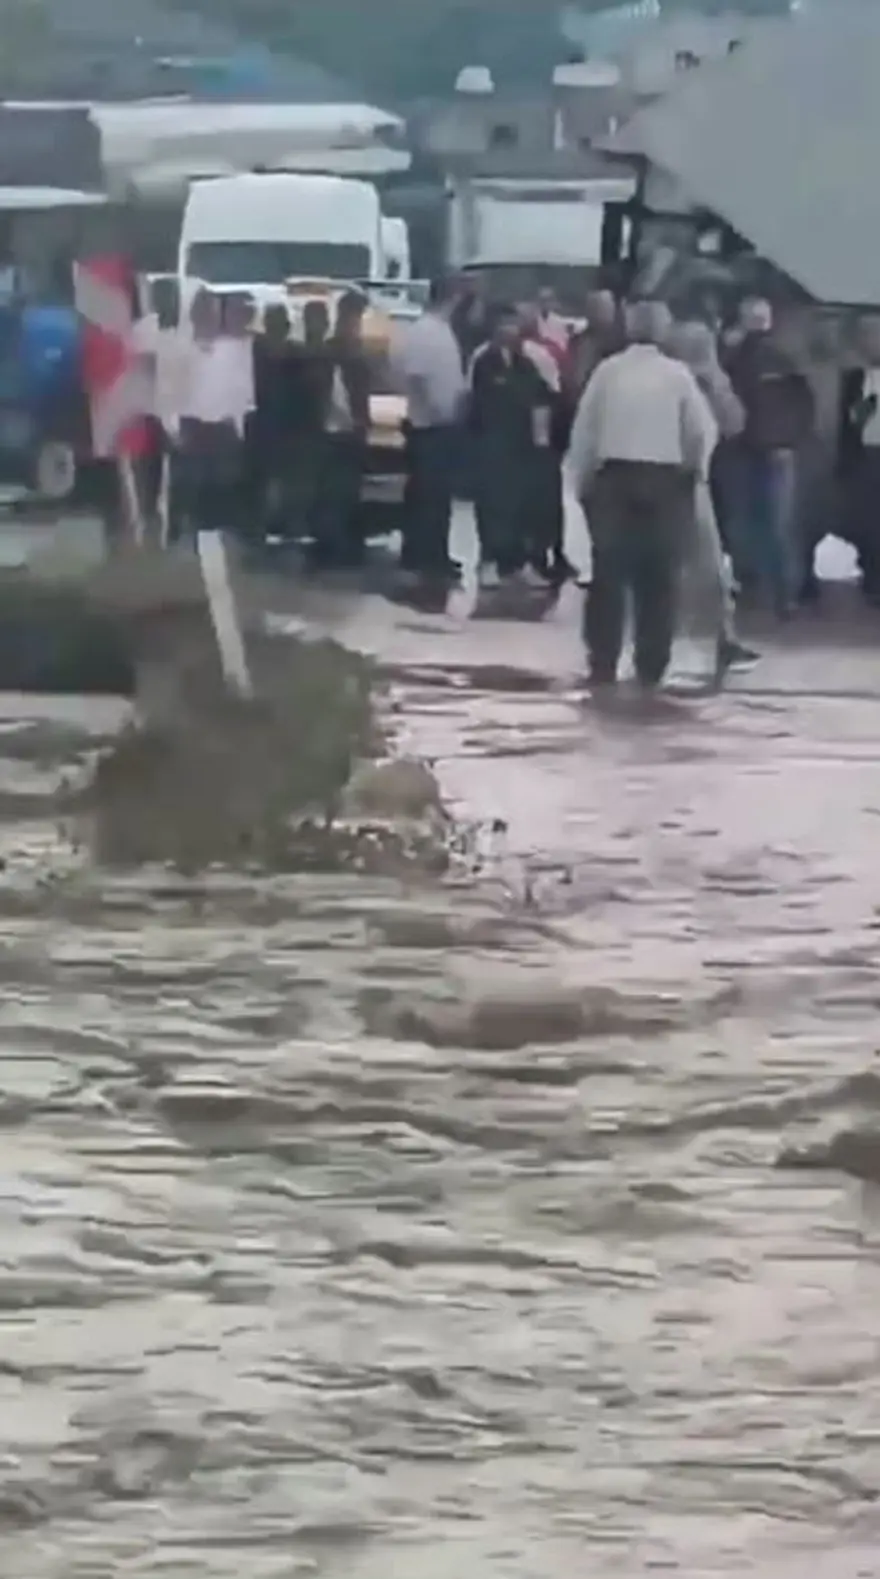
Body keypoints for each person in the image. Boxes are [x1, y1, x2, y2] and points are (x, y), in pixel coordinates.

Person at [567, 299, 714, 690]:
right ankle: (651, 666)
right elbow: (701, 432)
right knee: (659, 578)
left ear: (629, 329)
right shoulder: (678, 376)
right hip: (665, 482)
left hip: (613, 480)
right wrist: (694, 472)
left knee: (608, 575)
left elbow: (584, 432)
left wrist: (580, 482)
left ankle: (602, 661)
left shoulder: (607, 373)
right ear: (664, 332)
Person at [668, 320, 760, 677]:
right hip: (688, 480)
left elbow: (734, 423)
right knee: (700, 564)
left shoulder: (701, 379)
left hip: (697, 478)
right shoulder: (680, 380)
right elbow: (733, 423)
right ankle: (713, 637)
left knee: (704, 565)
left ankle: (720, 637)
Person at [724, 296, 815, 616]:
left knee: (756, 522)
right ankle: (778, 593)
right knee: (772, 523)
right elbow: (805, 403)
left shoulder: (743, 357)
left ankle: (766, 589)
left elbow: (803, 404)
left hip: (753, 448)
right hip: (765, 449)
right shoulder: (777, 356)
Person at [469, 304, 557, 590]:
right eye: (505, 324)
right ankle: (490, 562)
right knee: (493, 508)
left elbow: (540, 397)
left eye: (514, 324)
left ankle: (518, 563)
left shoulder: (526, 363)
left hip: (522, 449)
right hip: (491, 446)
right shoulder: (484, 362)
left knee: (521, 508)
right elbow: (478, 402)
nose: (510, 330)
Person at [397, 276, 466, 584]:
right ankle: (422, 556)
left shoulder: (442, 330)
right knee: (427, 498)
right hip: (429, 427)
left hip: (444, 426)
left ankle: (436, 554)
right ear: (452, 297)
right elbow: (416, 377)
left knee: (438, 499)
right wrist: (437, 410)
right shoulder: (424, 332)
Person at [176, 286, 252, 534]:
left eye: (212, 312)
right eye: (203, 311)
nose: (209, 317)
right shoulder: (181, 347)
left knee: (223, 481)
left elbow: (241, 389)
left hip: (223, 426)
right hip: (192, 426)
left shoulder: (232, 348)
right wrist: (174, 426)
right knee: (194, 481)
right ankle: (192, 526)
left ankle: (221, 526)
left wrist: (238, 424)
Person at [308, 288, 371, 570]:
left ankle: (342, 544)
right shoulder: (334, 351)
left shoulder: (355, 350)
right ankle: (331, 545)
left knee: (346, 491)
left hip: (348, 431)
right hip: (332, 431)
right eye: (353, 316)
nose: (355, 322)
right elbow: (329, 390)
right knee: (333, 491)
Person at [517, 299, 575, 583]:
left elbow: (555, 394)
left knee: (543, 501)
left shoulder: (542, 353)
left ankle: (545, 554)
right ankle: (545, 554)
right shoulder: (542, 352)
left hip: (539, 440)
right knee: (543, 502)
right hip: (535, 442)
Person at [837, 314, 880, 604]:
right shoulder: (855, 376)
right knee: (869, 519)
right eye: (863, 335)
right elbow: (847, 421)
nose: (868, 341)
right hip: (868, 454)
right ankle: (873, 577)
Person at [564, 289, 625, 399]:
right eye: (596, 308)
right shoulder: (578, 343)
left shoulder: (620, 345)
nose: (603, 313)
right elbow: (573, 379)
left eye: (606, 308)